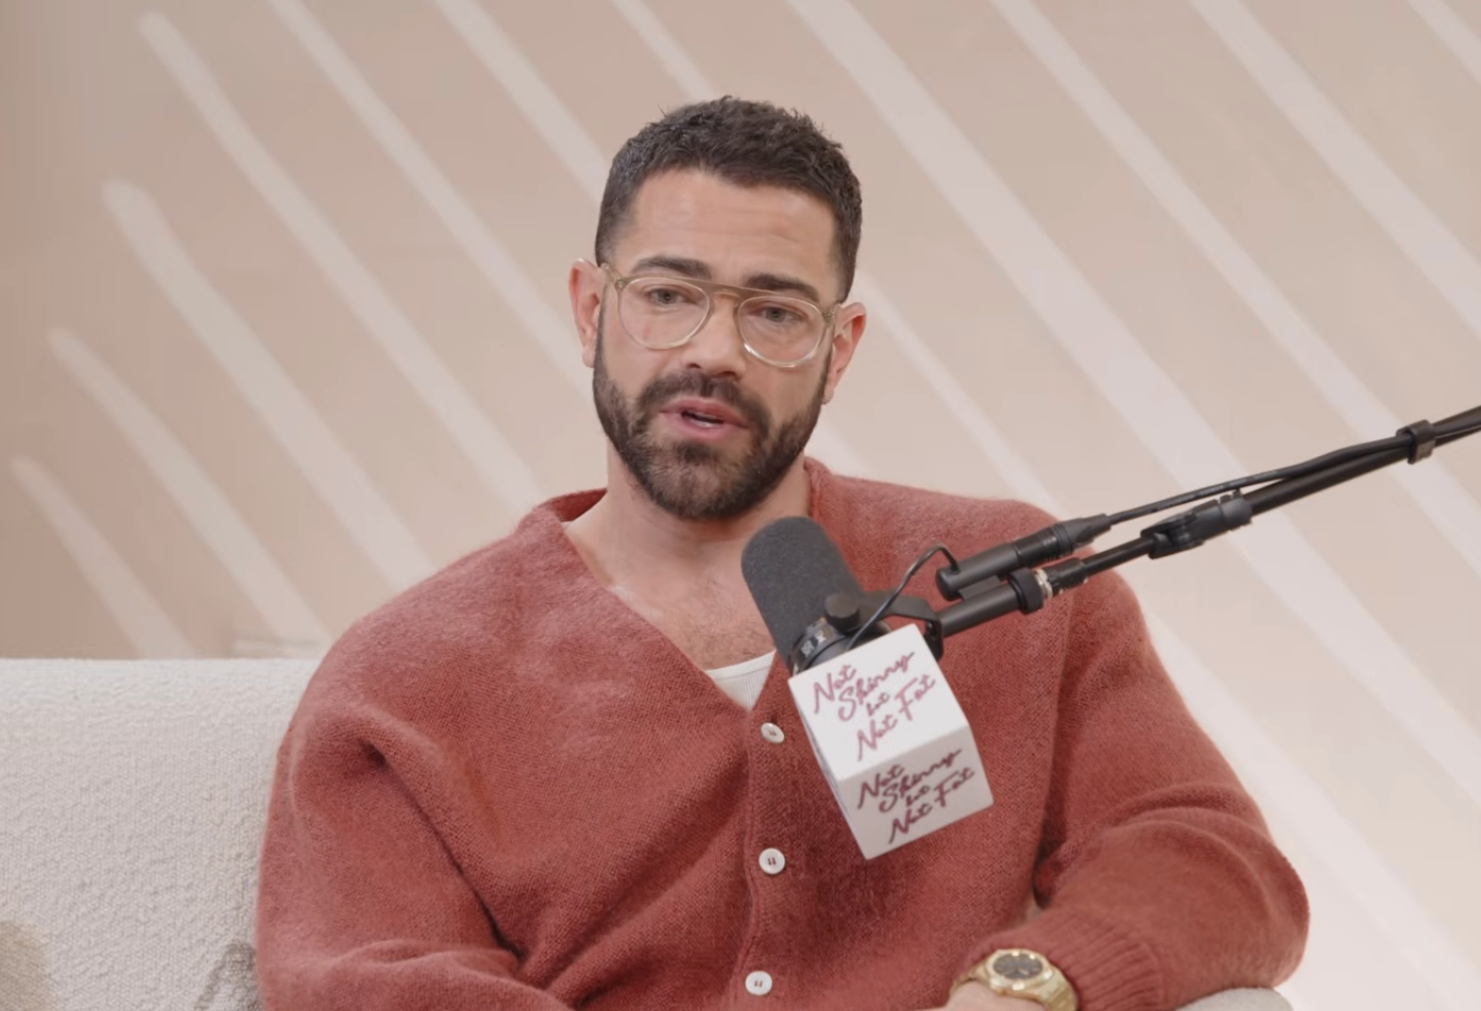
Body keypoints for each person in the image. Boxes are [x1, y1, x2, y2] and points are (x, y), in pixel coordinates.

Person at [254, 98, 1307, 1011]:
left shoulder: (1003, 586)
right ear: (591, 308)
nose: (714, 350)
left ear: (837, 350)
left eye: (772, 311)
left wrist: (1024, 985)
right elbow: (371, 983)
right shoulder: (403, 682)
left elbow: (1210, 862)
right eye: (668, 295)